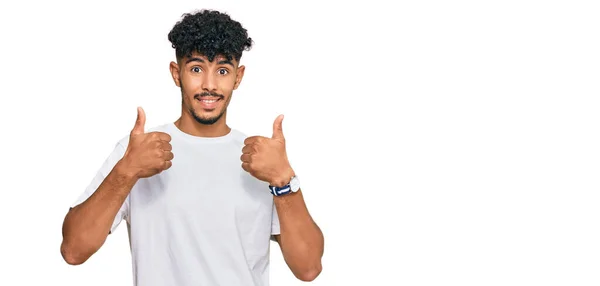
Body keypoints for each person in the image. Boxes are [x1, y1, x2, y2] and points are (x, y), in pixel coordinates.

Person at [59, 9, 324, 286]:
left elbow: (308, 268)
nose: (209, 85)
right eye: (196, 69)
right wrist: (126, 171)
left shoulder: (262, 160)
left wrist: (283, 181)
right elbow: (74, 250)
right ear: (176, 73)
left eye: (222, 70)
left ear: (238, 77)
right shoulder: (137, 151)